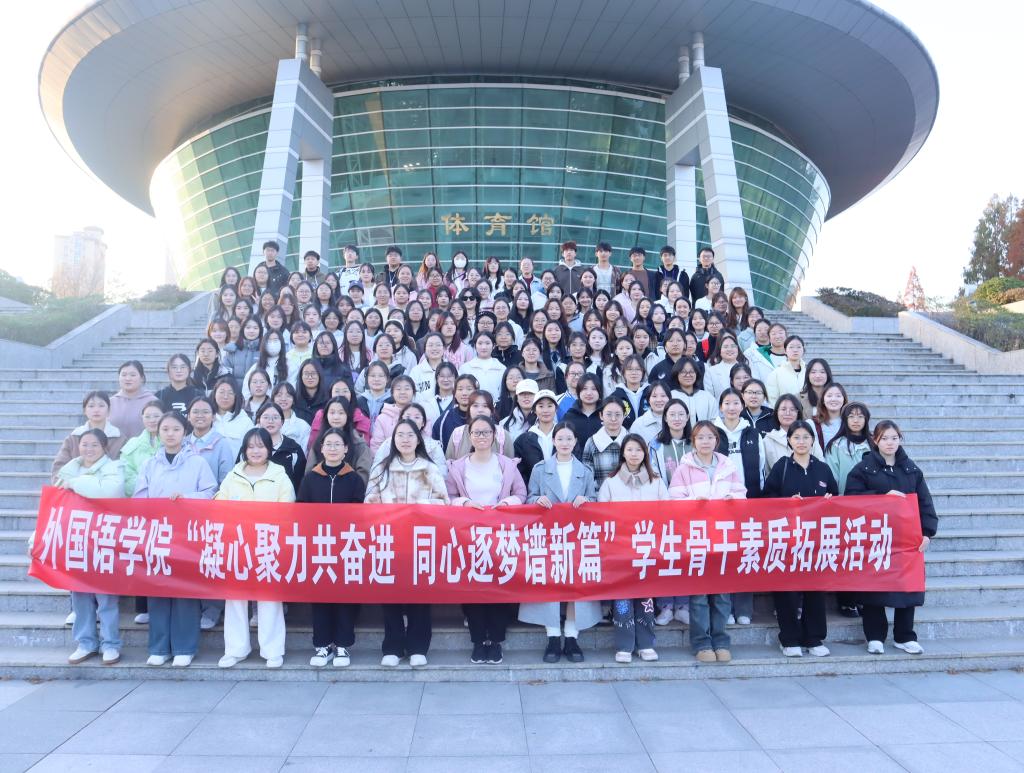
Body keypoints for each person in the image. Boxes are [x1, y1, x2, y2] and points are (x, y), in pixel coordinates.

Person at [845, 420, 937, 655]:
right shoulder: (863, 469)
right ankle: (875, 636)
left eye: (894, 438)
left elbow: (925, 503)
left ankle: (904, 636)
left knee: (908, 587)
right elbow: (851, 500)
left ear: (900, 440)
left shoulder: (911, 469)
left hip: (906, 539)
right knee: (874, 588)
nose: (890, 443)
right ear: (875, 440)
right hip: (876, 537)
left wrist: (927, 532)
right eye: (884, 438)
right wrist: (882, 496)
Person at [133, 411, 217, 667]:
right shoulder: (149, 464)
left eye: (176, 429)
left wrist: (186, 499)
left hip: (187, 534)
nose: (170, 434)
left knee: (184, 591)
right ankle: (159, 647)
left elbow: (211, 493)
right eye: (165, 429)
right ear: (158, 432)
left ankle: (184, 646)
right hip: (157, 533)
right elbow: (139, 498)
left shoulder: (197, 462)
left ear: (185, 432)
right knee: (157, 590)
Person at [365, 420, 449, 667]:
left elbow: (443, 502)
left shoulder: (429, 468)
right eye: (400, 435)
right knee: (390, 594)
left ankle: (418, 647)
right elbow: (369, 501)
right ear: (393, 440)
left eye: (410, 435)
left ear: (418, 439)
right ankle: (392, 646)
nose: (405, 439)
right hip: (389, 540)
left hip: (421, 541)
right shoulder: (383, 468)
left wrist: (417, 508)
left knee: (419, 595)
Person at [446, 415, 527, 664]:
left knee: (499, 587)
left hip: (501, 535)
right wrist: (465, 503)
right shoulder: (458, 466)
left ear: (494, 436)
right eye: (476, 432)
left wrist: (507, 503)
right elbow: (448, 496)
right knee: (473, 589)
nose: (481, 437)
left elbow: (521, 493)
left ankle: (496, 641)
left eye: (486, 432)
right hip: (469, 536)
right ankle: (479, 641)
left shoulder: (506, 464)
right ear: (469, 436)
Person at [519, 421, 600, 662]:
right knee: (549, 585)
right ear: (553, 441)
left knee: (576, 586)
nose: (565, 443)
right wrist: (537, 501)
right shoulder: (540, 469)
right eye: (560, 438)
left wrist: (587, 501)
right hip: (548, 536)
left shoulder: (585, 471)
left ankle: (572, 636)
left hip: (577, 537)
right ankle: (553, 636)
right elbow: (529, 497)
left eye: (569, 439)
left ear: (576, 442)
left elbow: (594, 499)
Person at [216, 428, 295, 668]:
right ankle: (236, 649)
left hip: (268, 543)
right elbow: (219, 503)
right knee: (235, 598)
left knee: (269, 597)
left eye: (260, 446)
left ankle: (272, 650)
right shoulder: (233, 475)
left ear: (269, 449)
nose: (255, 451)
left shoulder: (279, 474)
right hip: (237, 543)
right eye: (251, 446)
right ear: (244, 449)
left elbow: (288, 509)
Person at [669, 421, 746, 663]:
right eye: (700, 437)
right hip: (696, 536)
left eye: (710, 437)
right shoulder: (684, 468)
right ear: (693, 441)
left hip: (723, 536)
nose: (705, 441)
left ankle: (721, 641)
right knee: (699, 594)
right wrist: (693, 502)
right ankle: (702, 643)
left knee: (722, 594)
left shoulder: (728, 465)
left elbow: (742, 494)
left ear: (716, 440)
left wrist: (731, 499)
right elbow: (673, 499)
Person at [762, 420, 839, 658]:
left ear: (813, 441)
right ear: (789, 441)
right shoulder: (782, 467)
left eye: (806, 437)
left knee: (815, 590)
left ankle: (814, 638)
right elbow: (767, 498)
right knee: (787, 590)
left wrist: (830, 500)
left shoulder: (823, 469)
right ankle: (789, 639)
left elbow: (836, 497)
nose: (801, 442)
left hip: (816, 540)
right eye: (796, 437)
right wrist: (787, 502)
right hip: (788, 539)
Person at [298, 427, 367, 668]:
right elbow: (301, 509)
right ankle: (322, 645)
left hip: (347, 547)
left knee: (345, 597)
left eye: (338, 444)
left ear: (346, 449)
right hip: (319, 547)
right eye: (329, 444)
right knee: (320, 597)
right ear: (321, 448)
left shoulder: (354, 479)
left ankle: (343, 645)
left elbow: (360, 512)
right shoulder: (310, 478)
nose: (333, 448)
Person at [56, 429, 125, 665]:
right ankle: (85, 642)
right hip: (75, 539)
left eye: (94, 445)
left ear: (104, 447)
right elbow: (54, 508)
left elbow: (109, 492)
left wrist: (75, 484)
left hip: (104, 539)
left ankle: (110, 644)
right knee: (80, 596)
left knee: (106, 597)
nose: (89, 449)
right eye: (85, 444)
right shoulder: (68, 470)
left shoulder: (114, 468)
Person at [598, 434, 668, 663]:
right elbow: (601, 516)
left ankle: (646, 643)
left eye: (638, 449)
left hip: (648, 549)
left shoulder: (656, 481)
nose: (634, 454)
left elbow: (668, 513)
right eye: (630, 449)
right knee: (623, 599)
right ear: (623, 453)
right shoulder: (611, 482)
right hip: (620, 550)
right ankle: (624, 645)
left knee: (646, 598)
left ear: (644, 453)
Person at [51, 391, 126, 482]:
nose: (96, 410)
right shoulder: (74, 437)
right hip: (74, 487)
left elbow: (125, 467)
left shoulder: (119, 438)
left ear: (109, 410)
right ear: (84, 410)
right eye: (91, 406)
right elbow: (59, 465)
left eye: (101, 406)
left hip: (108, 487)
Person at [256, 402, 307, 492]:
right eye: (266, 417)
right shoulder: (250, 447)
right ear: (258, 421)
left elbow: (300, 483)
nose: (270, 421)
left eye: (275, 417)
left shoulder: (293, 449)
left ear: (282, 422)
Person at [581, 396, 629, 489]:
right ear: (601, 415)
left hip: (628, 496)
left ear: (624, 416)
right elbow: (587, 477)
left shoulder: (632, 441)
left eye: (618, 414)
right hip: (600, 495)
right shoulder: (592, 442)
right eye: (609, 414)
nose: (613, 419)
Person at [120, 400, 164, 496]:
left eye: (156, 416)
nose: (152, 420)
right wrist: (145, 488)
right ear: (142, 418)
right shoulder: (133, 444)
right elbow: (126, 474)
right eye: (147, 417)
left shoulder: (172, 442)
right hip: (140, 497)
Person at [110, 360, 157, 439]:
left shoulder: (152, 402)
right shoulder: (110, 402)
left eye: (133, 375)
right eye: (124, 375)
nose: (128, 378)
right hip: (114, 446)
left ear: (142, 378)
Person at [211, 376, 254, 456]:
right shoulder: (207, 418)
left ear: (236, 396)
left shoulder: (245, 421)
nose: (225, 396)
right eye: (221, 392)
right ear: (214, 394)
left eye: (230, 393)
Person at [564, 373, 603, 457]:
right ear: (579, 391)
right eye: (584, 388)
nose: (589, 393)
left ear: (599, 391)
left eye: (593, 389)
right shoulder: (569, 416)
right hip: (575, 462)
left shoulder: (606, 414)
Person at [670, 358, 717, 426]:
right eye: (683, 372)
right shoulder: (671, 396)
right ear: (676, 374)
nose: (688, 375)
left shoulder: (707, 397)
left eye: (691, 372)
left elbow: (714, 421)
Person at [459, 331, 505, 400]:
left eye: (487, 343)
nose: (483, 347)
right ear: (475, 345)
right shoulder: (465, 368)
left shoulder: (501, 368)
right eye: (480, 343)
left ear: (494, 346)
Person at [155, 354, 203, 419]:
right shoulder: (159, 396)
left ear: (189, 370)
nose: (179, 370)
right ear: (168, 371)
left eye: (183, 367)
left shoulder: (198, 395)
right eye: (174, 367)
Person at [766, 335, 806, 404]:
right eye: (791, 347)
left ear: (803, 350)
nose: (795, 350)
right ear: (785, 351)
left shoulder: (809, 373)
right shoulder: (776, 373)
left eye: (799, 347)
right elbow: (772, 399)